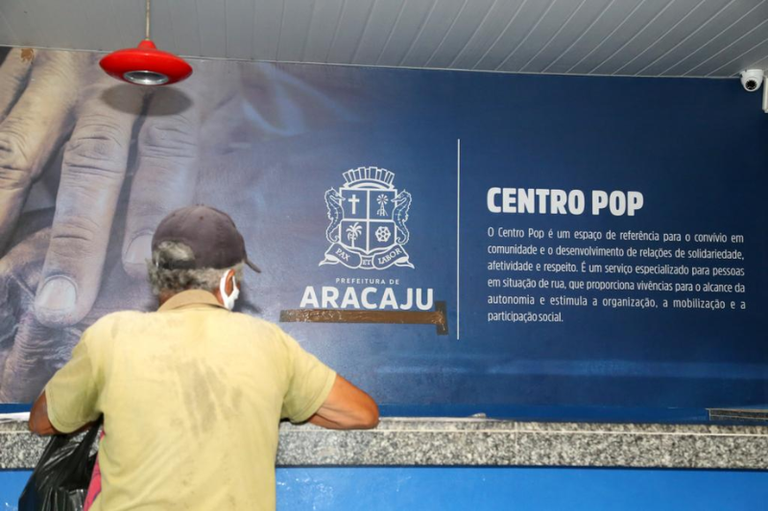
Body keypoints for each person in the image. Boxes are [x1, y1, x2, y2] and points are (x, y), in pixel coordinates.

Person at [28, 205, 379, 511]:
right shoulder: (269, 344)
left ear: (157, 276)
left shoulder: (110, 336)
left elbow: (43, 421)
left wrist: (102, 407)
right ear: (229, 281)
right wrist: (277, 402)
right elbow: (361, 412)